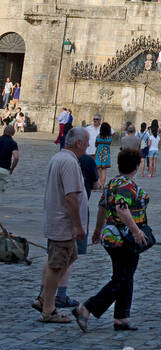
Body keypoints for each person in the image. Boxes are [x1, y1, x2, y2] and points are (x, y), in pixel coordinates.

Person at [72, 148, 150, 334]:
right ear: (137, 166)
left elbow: (101, 207)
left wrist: (98, 230)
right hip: (125, 239)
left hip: (111, 236)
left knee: (125, 276)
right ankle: (87, 308)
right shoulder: (126, 186)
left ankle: (121, 318)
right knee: (122, 279)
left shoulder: (113, 183)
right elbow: (122, 210)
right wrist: (136, 231)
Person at [39, 127, 89, 323]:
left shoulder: (60, 157)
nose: (87, 146)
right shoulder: (68, 162)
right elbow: (70, 197)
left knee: (70, 256)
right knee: (57, 265)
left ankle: (45, 298)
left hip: (59, 220)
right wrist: (78, 226)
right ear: (78, 143)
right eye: (86, 142)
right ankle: (48, 308)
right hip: (63, 223)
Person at [0, 122, 19, 197]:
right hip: (4, 169)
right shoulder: (13, 143)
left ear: (3, 131)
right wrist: (12, 169)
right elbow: (16, 157)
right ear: (13, 134)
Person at [94, 121, 112, 189]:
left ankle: (99, 184)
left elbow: (96, 145)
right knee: (104, 171)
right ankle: (102, 186)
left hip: (98, 154)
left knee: (98, 170)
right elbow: (109, 144)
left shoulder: (98, 136)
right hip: (106, 155)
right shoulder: (110, 138)